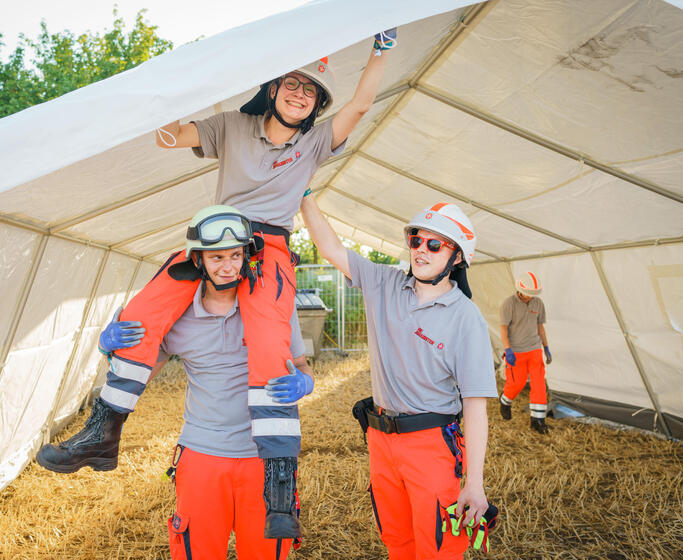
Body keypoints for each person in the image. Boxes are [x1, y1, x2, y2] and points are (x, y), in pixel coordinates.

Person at [35, 29, 398, 539]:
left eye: (311, 91)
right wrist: (188, 80)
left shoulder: (315, 143)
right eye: (292, 84)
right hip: (214, 239)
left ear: (316, 104)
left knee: (272, 344)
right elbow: (170, 136)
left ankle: (277, 484)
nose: (300, 94)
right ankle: (103, 431)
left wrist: (381, 51)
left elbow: (361, 104)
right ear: (273, 89)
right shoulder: (233, 125)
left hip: (267, 247)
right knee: (142, 312)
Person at [38, 207, 314, 558]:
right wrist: (108, 350)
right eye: (217, 257)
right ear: (197, 259)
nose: (228, 266)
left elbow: (303, 367)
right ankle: (98, 435)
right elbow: (143, 369)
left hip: (262, 460)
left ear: (247, 256)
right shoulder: (179, 316)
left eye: (235, 255)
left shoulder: (275, 307)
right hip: (201, 456)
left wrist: (305, 384)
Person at [300, 195, 498, 559]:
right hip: (380, 440)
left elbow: (475, 407)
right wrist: (304, 193)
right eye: (416, 240)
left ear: (457, 257)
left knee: (438, 550)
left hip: (432, 446)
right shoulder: (384, 283)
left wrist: (475, 482)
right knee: (397, 543)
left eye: (434, 244)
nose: (421, 250)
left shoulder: (465, 318)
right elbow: (329, 247)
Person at [498, 271, 552, 434]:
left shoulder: (538, 303)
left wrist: (546, 347)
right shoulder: (508, 304)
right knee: (517, 383)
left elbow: (540, 327)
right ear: (520, 291)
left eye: (532, 295)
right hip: (516, 351)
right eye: (528, 294)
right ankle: (505, 401)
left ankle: (537, 420)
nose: (530, 297)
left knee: (539, 384)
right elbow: (503, 327)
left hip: (534, 348)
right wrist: (508, 349)